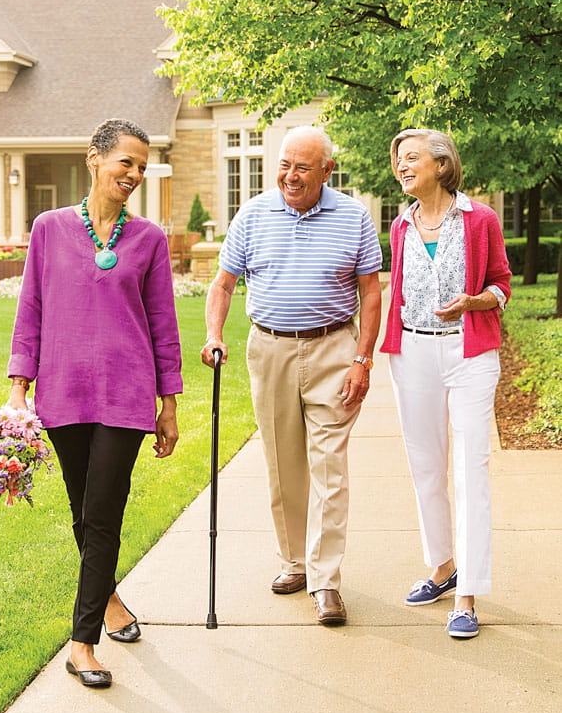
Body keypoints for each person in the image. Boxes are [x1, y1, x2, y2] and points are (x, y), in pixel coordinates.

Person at [7, 118, 182, 688]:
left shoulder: (149, 239)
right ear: (94, 160)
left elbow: (162, 324)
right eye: (124, 162)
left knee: (103, 512)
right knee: (84, 510)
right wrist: (18, 385)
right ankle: (107, 600)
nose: (133, 174)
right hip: (63, 390)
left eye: (141, 165)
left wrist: (169, 403)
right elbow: (30, 307)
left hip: (126, 396)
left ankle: (82, 644)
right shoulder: (49, 228)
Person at [201, 126, 382, 625]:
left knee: (329, 467)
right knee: (283, 464)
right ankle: (295, 563)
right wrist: (214, 333)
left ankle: (326, 581)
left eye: (303, 166)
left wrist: (362, 359)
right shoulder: (253, 215)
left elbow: (370, 292)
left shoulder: (353, 217)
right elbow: (223, 285)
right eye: (284, 164)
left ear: (327, 170)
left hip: (333, 349)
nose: (290, 175)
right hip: (271, 348)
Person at [380, 128, 511, 639]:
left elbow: (501, 282)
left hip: (468, 350)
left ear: (441, 163)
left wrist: (476, 302)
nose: (402, 166)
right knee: (426, 466)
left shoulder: (480, 219)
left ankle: (468, 594)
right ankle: (442, 567)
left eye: (411, 157)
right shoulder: (401, 225)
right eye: (398, 160)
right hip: (413, 351)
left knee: (469, 468)